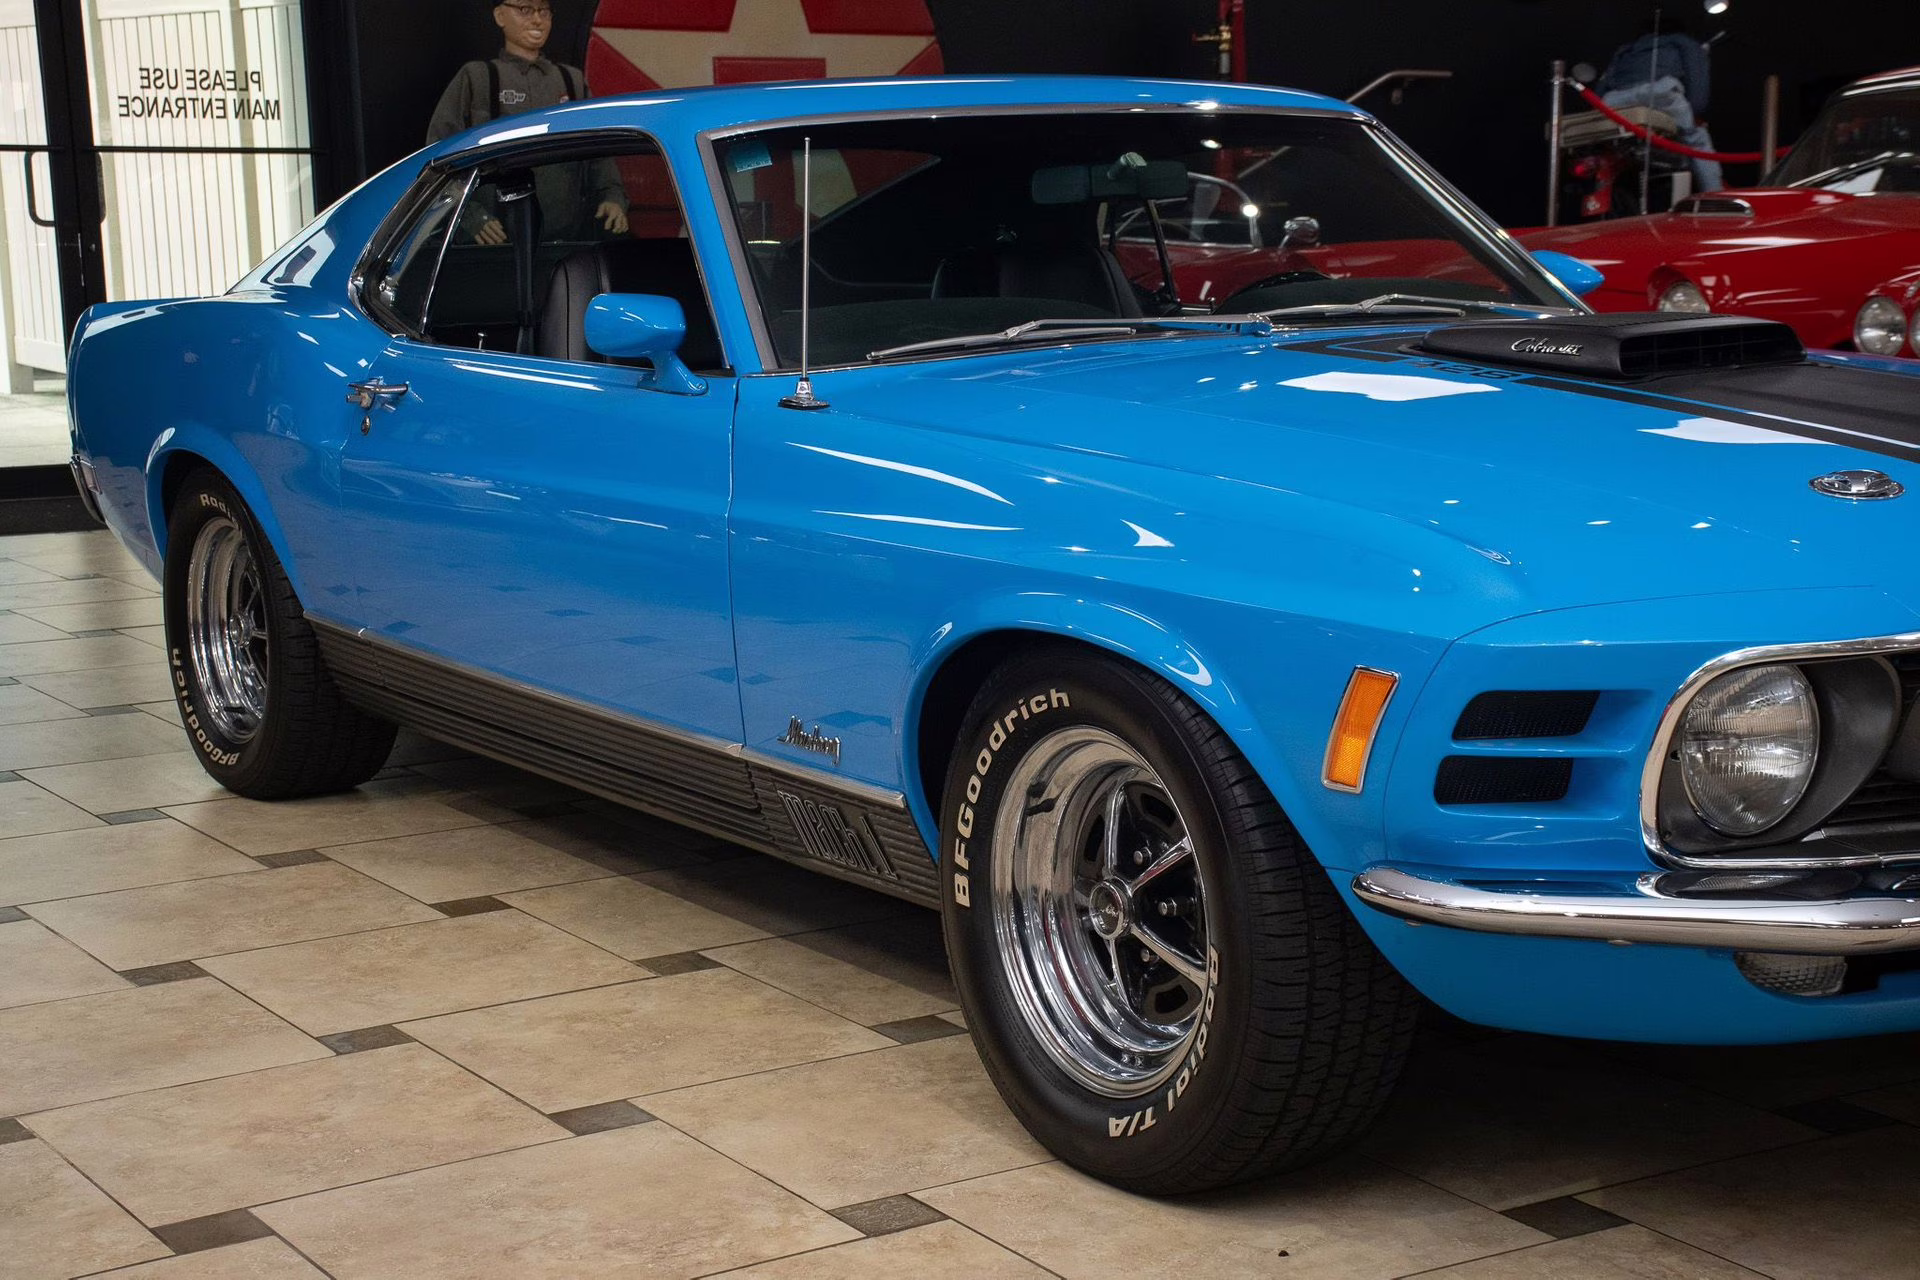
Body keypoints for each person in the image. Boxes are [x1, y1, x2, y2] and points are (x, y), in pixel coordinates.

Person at [427, 1, 628, 242]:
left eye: (544, 11)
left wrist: (612, 196)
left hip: (565, 238)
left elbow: (599, 147)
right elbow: (440, 156)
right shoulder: (479, 78)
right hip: (496, 240)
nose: (537, 19)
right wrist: (470, 216)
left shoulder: (570, 81)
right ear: (500, 15)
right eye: (525, 10)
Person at [1593, 13, 1724, 192]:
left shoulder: (1625, 50)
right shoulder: (1684, 42)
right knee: (1697, 141)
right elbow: (1697, 79)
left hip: (1615, 99)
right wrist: (1695, 114)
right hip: (1659, 91)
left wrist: (1599, 107)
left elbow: (1603, 85)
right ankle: (1715, 195)